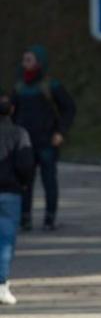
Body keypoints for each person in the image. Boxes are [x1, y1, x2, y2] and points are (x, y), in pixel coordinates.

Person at [12, 44, 75, 231]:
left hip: (47, 141)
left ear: (39, 62)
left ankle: (49, 218)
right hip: (25, 143)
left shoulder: (51, 86)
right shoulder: (19, 87)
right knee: (24, 182)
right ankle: (25, 218)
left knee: (49, 181)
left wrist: (60, 132)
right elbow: (12, 114)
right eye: (24, 60)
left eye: (29, 60)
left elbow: (69, 108)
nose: (25, 64)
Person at [0, 92, 34, 304]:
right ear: (12, 109)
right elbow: (26, 164)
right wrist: (23, 183)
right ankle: (2, 284)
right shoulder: (19, 134)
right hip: (10, 192)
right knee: (5, 241)